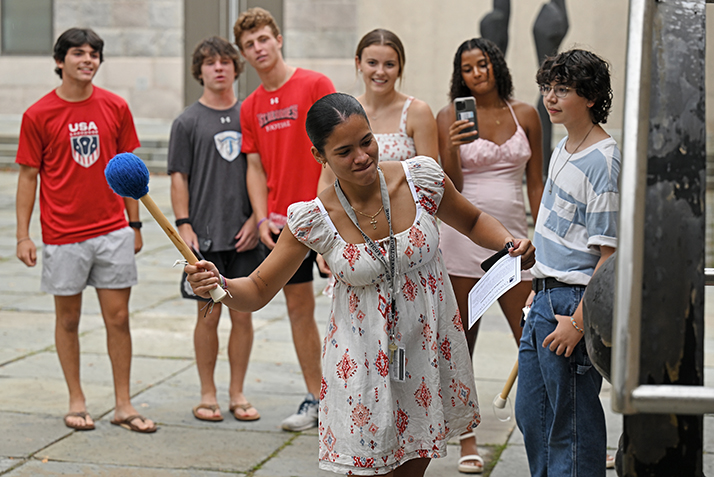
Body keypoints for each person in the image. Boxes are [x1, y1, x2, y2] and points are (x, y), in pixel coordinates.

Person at [185, 92, 536, 476]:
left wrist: (507, 242)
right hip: (362, 367)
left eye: (366, 141)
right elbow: (257, 288)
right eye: (345, 151)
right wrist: (217, 283)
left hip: (423, 352)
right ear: (320, 156)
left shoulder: (420, 180)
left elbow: (471, 222)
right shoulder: (314, 219)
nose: (362, 157)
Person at [14, 28, 155, 433]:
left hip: (113, 231)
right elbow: (28, 177)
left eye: (94, 54)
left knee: (119, 317)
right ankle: (76, 399)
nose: (88, 60)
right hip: (62, 235)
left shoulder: (115, 106)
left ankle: (124, 404)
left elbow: (131, 171)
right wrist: (24, 235)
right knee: (69, 320)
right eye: (78, 53)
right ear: (60, 61)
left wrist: (135, 224)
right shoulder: (38, 114)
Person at [435, 38, 543, 474]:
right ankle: (466, 439)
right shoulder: (448, 117)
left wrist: (543, 231)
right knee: (463, 343)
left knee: (534, 336)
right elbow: (450, 185)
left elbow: (535, 182)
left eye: (483, 64)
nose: (477, 73)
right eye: (467, 68)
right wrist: (453, 147)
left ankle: (557, 426)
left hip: (515, 241)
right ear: (459, 74)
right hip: (462, 240)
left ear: (496, 65)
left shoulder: (527, 115)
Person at [515, 49, 619, 476]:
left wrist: (578, 322)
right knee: (533, 417)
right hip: (542, 298)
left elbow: (610, 257)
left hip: (573, 303)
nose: (550, 98)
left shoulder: (605, 162)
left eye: (563, 90)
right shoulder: (562, 146)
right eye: (547, 88)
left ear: (591, 97)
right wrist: (534, 252)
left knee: (571, 426)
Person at [233, 7, 336, 431]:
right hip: (282, 225)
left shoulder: (315, 84)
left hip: (329, 219)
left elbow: (336, 149)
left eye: (263, 39)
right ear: (244, 54)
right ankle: (317, 399)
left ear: (278, 39)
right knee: (298, 310)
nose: (258, 48)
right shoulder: (251, 105)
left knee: (349, 309)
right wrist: (260, 219)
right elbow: (254, 168)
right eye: (249, 45)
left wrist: (329, 213)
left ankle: (354, 396)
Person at [168, 37, 265, 422]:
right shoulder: (187, 121)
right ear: (200, 71)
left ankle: (237, 393)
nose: (219, 68)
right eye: (211, 63)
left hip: (244, 235)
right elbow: (179, 178)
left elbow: (262, 171)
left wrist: (256, 219)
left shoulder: (249, 115)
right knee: (207, 315)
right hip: (203, 237)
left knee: (243, 315)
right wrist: (184, 225)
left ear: (236, 69)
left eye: (226, 61)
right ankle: (207, 394)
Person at [317, 29, 438, 191]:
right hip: (354, 213)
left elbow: (430, 178)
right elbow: (327, 180)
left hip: (408, 212)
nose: (380, 72)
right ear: (358, 63)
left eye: (389, 64)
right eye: (372, 63)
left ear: (400, 68)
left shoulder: (417, 112)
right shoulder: (342, 112)